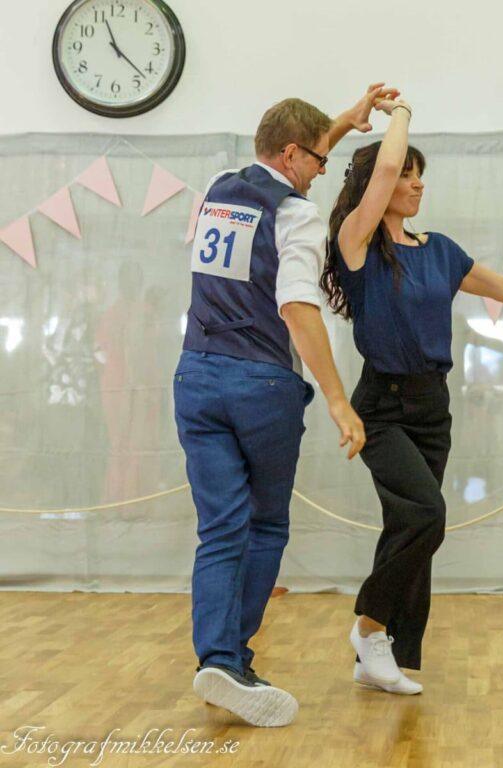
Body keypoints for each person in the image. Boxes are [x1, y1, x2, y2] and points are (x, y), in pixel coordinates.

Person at [321, 95, 503, 694]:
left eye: (419, 175)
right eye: (407, 174)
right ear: (378, 186)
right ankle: (369, 630)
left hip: (433, 407)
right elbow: (384, 166)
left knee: (408, 525)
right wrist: (402, 112)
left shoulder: (439, 250)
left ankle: (383, 654)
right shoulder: (357, 243)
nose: (416, 183)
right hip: (381, 406)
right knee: (426, 515)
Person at [175, 84, 396, 726]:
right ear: (293, 154)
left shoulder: (217, 186)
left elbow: (292, 156)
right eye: (319, 161)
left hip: (195, 376)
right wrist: (337, 399)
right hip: (260, 384)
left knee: (220, 528)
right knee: (266, 524)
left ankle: (218, 658)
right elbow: (297, 306)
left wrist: (347, 120)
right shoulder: (296, 216)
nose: (324, 172)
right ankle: (232, 660)